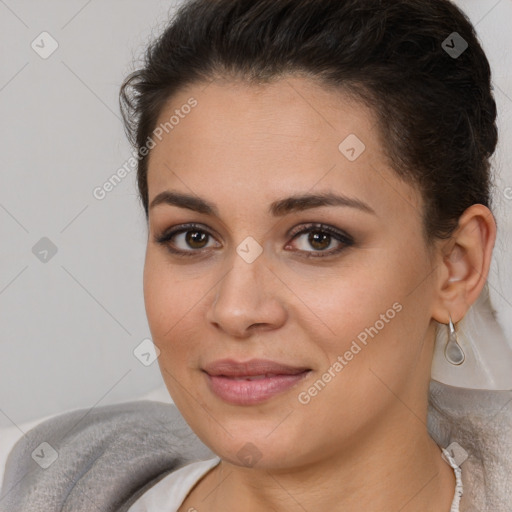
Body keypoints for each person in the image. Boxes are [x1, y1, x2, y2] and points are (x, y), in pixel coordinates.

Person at [1, 0, 511, 511]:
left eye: (317, 238)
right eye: (193, 237)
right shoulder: (53, 486)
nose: (236, 310)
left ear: (456, 267)